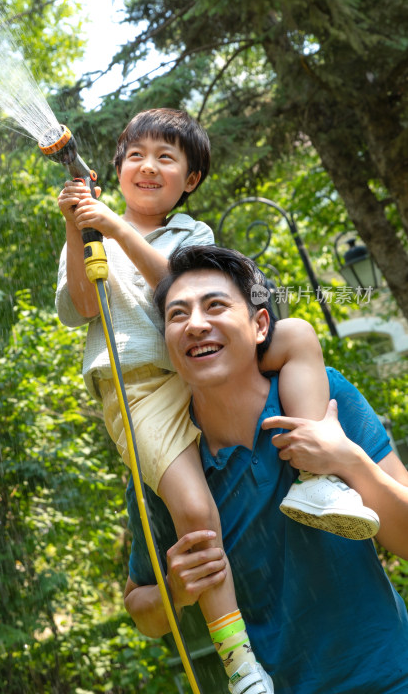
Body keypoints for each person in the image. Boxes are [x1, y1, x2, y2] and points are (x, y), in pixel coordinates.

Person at [55, 109, 376, 693]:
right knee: (197, 515)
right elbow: (82, 304)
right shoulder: (91, 228)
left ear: (191, 180)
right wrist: (83, 230)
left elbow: (185, 293)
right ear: (116, 167)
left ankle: (317, 474)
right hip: (141, 387)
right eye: (135, 155)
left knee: (299, 333)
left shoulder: (191, 236)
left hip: (208, 362)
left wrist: (120, 230)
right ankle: (241, 665)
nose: (147, 166)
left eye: (166, 158)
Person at [124, 244, 408, 694]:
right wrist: (174, 592)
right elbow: (140, 606)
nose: (196, 324)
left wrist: (345, 460)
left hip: (394, 674)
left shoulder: (327, 397)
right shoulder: (167, 469)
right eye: (177, 316)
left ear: (260, 325)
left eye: (215, 305)